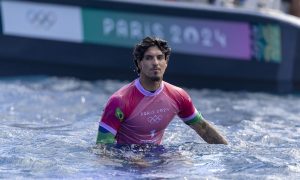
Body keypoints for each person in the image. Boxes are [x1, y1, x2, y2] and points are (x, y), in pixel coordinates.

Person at [96, 36, 228, 145]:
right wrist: (132, 161)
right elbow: (102, 149)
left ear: (166, 62)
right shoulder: (119, 101)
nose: (155, 63)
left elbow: (203, 129)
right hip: (127, 163)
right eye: (149, 58)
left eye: (160, 57)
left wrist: (228, 151)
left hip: (158, 157)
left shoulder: (179, 96)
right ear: (139, 63)